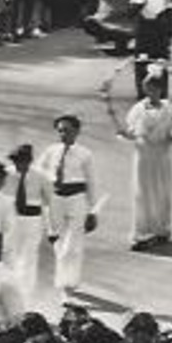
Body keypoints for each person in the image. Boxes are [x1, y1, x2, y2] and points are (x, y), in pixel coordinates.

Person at [111, 63, 172, 251]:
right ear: (144, 89)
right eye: (149, 88)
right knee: (143, 192)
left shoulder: (169, 108)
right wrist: (125, 134)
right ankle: (143, 232)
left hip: (161, 154)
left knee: (161, 190)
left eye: (156, 88)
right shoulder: (138, 109)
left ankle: (161, 229)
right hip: (144, 154)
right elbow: (132, 132)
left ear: (161, 89)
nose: (153, 92)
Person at [37, 114, 99, 297]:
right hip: (56, 199)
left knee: (73, 245)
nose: (64, 134)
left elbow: (92, 182)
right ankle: (66, 280)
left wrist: (93, 211)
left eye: (68, 130)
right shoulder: (51, 151)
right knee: (58, 241)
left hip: (76, 199)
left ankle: (68, 285)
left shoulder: (85, 154)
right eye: (61, 130)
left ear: (77, 131)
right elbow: (38, 172)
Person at [7, 143, 46, 302]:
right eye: (16, 160)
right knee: (10, 256)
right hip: (11, 219)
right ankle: (10, 291)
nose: (19, 164)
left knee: (29, 257)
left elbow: (51, 201)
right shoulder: (6, 174)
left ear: (30, 161)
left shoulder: (40, 176)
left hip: (32, 220)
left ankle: (26, 295)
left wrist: (53, 227)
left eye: (22, 161)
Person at [129, 0, 172, 99]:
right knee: (142, 63)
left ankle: (162, 94)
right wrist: (141, 3)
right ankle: (142, 94)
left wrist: (169, 37)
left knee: (161, 64)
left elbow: (169, 18)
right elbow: (130, 14)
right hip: (144, 33)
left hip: (160, 34)